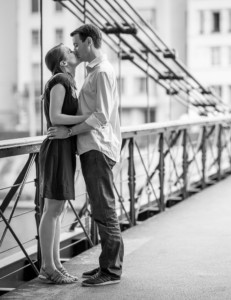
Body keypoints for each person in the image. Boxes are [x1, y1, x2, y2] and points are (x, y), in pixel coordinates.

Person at [48, 23, 124, 287]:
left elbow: (101, 116)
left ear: (89, 42)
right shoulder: (94, 72)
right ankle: (107, 264)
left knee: (104, 210)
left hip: (97, 148)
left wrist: (69, 133)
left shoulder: (101, 72)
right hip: (92, 147)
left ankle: (111, 271)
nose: (75, 50)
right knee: (101, 208)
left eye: (78, 44)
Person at [38, 43, 90, 284]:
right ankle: (47, 267)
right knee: (52, 209)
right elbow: (55, 116)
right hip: (57, 149)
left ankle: (56, 265)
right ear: (62, 62)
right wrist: (88, 118)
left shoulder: (68, 81)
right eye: (70, 51)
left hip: (64, 148)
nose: (74, 51)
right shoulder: (60, 79)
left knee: (59, 210)